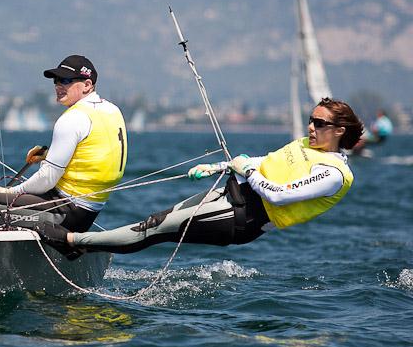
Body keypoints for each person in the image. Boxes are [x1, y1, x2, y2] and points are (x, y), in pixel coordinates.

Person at [36, 98, 362, 256]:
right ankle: (81, 245)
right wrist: (220, 167)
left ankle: (70, 242)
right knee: (158, 223)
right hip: (230, 193)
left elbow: (277, 194)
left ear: (339, 131)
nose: (310, 127)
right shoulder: (307, 145)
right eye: (311, 120)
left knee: (154, 227)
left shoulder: (332, 174)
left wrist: (247, 169)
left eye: (319, 124)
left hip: (243, 217)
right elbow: (266, 162)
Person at [0, 55, 127, 232]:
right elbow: (98, 151)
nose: (58, 86)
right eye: (56, 80)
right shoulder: (111, 110)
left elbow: (47, 179)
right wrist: (48, 155)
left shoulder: (73, 118)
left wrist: (12, 191)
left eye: (66, 80)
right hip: (89, 210)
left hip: (66, 212)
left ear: (87, 85)